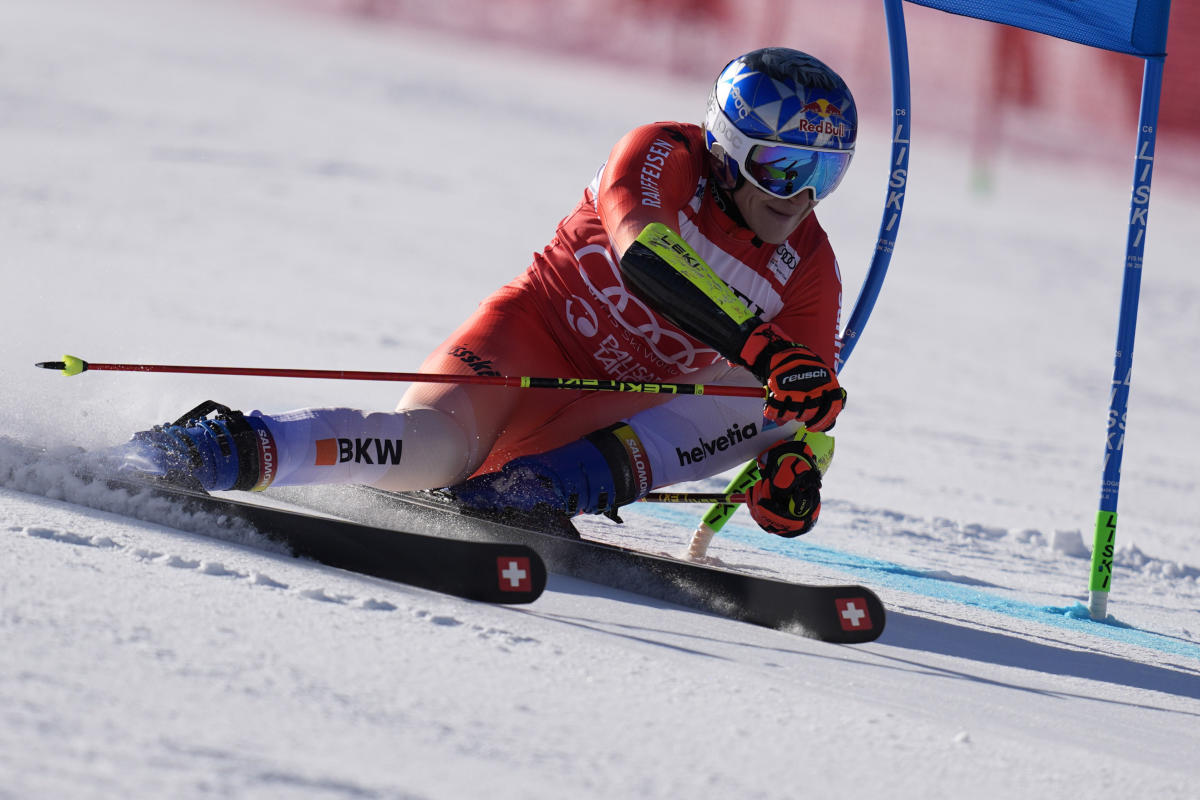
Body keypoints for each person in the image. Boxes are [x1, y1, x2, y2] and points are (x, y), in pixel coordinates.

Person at [122, 47, 856, 538]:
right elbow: (648, 259)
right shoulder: (660, 152)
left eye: (825, 175)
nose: (800, 198)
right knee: (430, 452)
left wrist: (793, 480)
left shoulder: (810, 265)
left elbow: (801, 407)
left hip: (611, 415)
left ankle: (544, 488)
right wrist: (760, 343)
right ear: (726, 146)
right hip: (529, 338)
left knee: (772, 391)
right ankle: (217, 446)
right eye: (784, 167)